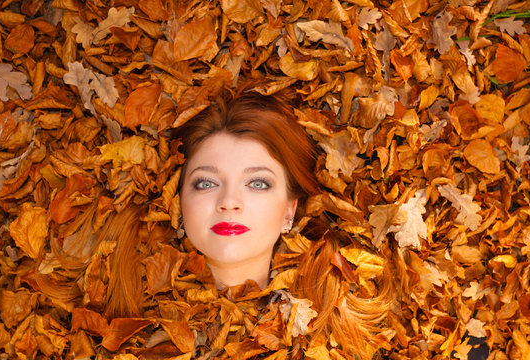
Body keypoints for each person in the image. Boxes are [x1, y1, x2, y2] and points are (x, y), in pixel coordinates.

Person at [36, 86, 392, 359]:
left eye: (257, 183)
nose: (229, 203)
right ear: (177, 202)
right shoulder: (114, 319)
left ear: (289, 210)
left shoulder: (339, 328)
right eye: (206, 183)